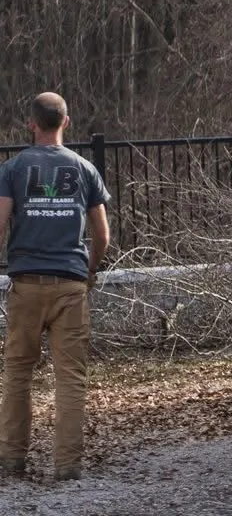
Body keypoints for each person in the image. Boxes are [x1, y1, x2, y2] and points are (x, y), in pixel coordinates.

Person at [0, 93, 109, 482]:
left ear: (31, 124)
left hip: (26, 284)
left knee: (16, 373)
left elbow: (0, 224)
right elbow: (102, 235)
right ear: (67, 121)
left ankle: (12, 460)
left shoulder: (13, 169)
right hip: (70, 285)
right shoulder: (85, 169)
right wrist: (88, 270)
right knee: (70, 378)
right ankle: (67, 465)